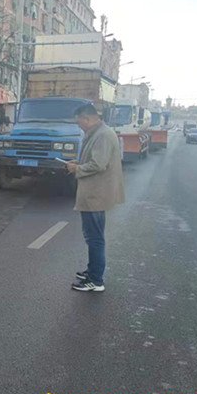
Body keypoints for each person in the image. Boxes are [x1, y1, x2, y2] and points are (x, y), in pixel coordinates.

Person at [65, 104, 124, 292]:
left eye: (79, 122)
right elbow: (94, 159)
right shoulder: (97, 133)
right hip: (94, 192)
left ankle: (96, 280)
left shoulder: (103, 135)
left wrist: (77, 168)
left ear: (87, 118)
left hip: (96, 194)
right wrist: (78, 163)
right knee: (93, 236)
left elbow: (98, 164)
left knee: (95, 238)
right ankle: (92, 271)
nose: (79, 126)